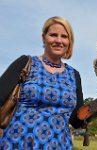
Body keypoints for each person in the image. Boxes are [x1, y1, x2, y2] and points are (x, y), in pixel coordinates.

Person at [0, 16, 85, 149]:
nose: (58, 40)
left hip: (59, 145)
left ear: (69, 41)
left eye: (64, 36)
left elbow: (76, 120)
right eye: (53, 35)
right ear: (43, 37)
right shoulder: (25, 63)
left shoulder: (74, 75)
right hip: (18, 143)